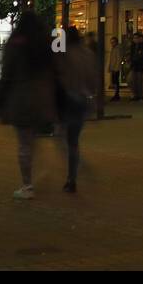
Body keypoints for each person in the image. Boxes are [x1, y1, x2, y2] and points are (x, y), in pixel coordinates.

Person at [0, 11, 57, 199]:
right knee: (33, 138)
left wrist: (0, 99)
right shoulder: (44, 44)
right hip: (40, 97)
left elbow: (6, 73)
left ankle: (27, 183)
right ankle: (41, 170)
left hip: (21, 97)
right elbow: (54, 70)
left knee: (24, 142)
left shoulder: (15, 44)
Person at [56, 26, 96, 193]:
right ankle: (72, 176)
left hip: (67, 100)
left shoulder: (63, 54)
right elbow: (92, 79)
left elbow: (58, 76)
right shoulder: (88, 54)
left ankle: (73, 174)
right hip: (82, 99)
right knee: (73, 140)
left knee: (62, 138)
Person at [128, 31, 143, 101]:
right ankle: (134, 95)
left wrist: (134, 60)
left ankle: (140, 95)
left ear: (139, 38)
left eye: (136, 38)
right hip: (134, 65)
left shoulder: (142, 45)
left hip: (139, 66)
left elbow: (141, 56)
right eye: (134, 38)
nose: (135, 39)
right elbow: (131, 55)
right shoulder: (132, 46)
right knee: (131, 80)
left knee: (139, 81)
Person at [108, 35, 122, 101]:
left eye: (113, 42)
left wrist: (116, 68)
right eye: (111, 42)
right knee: (114, 82)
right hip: (113, 68)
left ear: (116, 42)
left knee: (116, 82)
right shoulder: (113, 49)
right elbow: (111, 59)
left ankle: (117, 94)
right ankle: (116, 94)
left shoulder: (117, 49)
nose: (112, 44)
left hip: (115, 68)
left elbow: (118, 59)